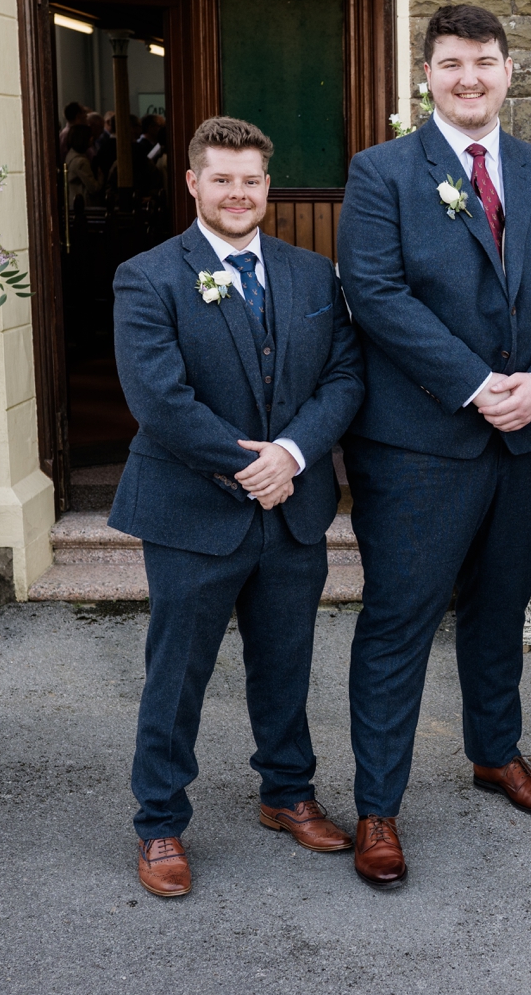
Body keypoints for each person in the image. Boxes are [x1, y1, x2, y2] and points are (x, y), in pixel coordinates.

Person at [335, 3, 531, 889]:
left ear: (507, 70)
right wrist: (477, 382)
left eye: (484, 61)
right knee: (399, 620)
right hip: (418, 444)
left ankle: (495, 752)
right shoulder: (381, 173)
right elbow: (375, 293)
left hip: (526, 440)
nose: (469, 77)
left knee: (500, 607)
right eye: (451, 63)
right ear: (428, 74)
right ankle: (379, 805)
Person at [110, 116, 365, 898]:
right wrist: (250, 466)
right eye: (221, 178)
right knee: (178, 672)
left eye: (250, 179)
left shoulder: (312, 273)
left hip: (293, 507)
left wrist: (291, 454)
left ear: (267, 185)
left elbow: (345, 376)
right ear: (193, 182)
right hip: (191, 512)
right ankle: (159, 820)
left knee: (286, 660)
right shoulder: (147, 276)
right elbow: (159, 398)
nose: (237, 192)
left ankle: (287, 791)